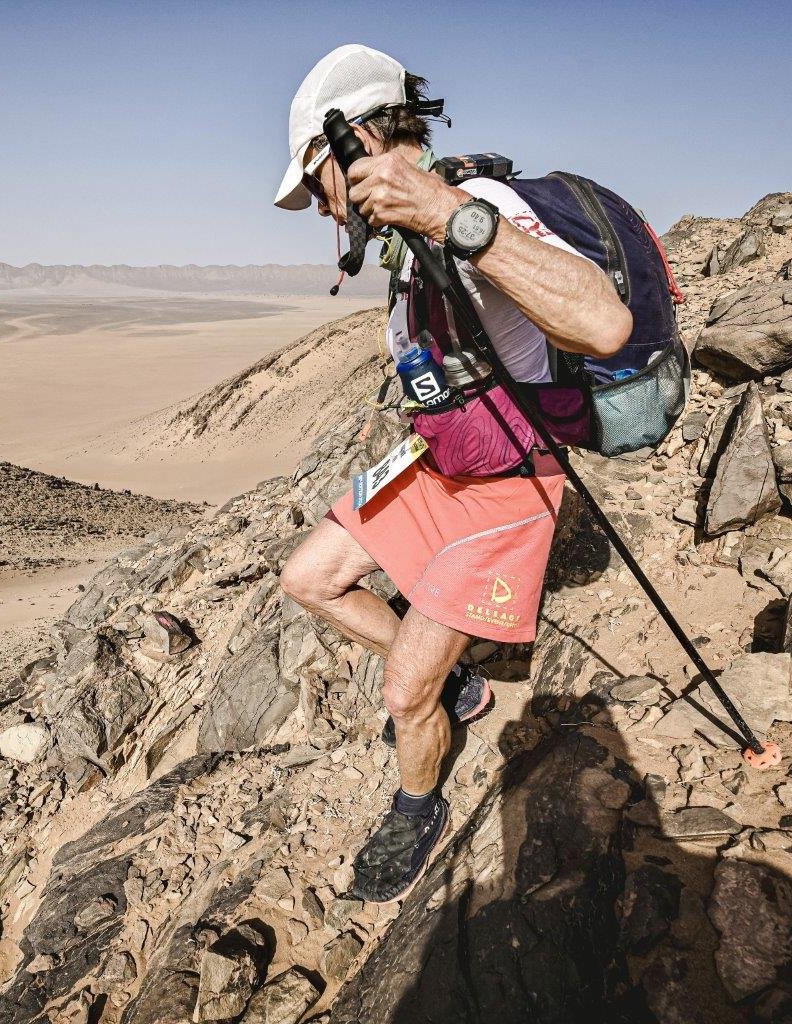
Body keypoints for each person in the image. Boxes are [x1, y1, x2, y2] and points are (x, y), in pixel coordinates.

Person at [275, 44, 632, 903]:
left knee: (405, 694)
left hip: (510, 479)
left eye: (317, 179)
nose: (319, 205)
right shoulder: (400, 245)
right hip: (437, 462)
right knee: (308, 578)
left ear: (356, 140)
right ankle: (458, 682)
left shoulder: (480, 207)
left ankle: (418, 802)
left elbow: (602, 323)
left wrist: (449, 214)